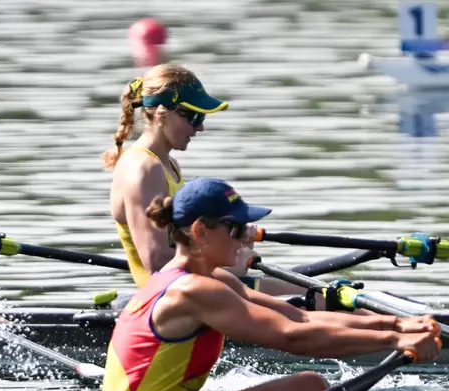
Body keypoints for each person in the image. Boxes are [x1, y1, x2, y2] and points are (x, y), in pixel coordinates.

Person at [100, 178, 441, 391]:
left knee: (308, 389)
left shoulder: (214, 279)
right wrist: (395, 339)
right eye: (235, 228)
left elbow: (299, 317)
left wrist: (397, 325)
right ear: (201, 231)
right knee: (307, 389)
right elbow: (293, 338)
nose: (246, 236)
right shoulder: (190, 291)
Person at [103, 65, 301, 296]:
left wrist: (232, 239)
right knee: (319, 299)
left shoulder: (168, 164)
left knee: (323, 295)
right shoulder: (143, 169)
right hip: (171, 296)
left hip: (191, 285)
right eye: (195, 117)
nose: (200, 127)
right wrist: (234, 267)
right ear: (162, 113)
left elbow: (186, 242)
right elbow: (157, 263)